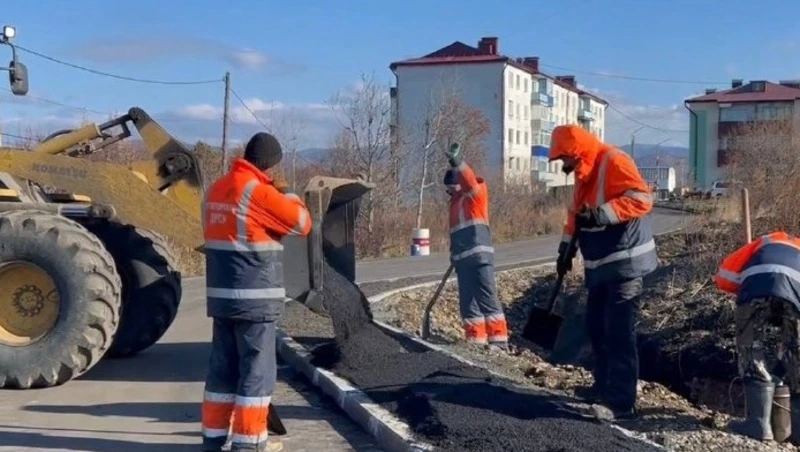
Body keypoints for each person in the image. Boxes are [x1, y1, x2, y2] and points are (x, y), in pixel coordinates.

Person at [200, 132, 311, 452]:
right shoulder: (257, 192)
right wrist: (286, 191)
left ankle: (213, 440)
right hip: (255, 300)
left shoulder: (216, 189)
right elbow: (302, 222)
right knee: (256, 373)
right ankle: (249, 444)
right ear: (270, 165)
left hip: (221, 298)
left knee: (221, 371)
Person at [548, 125, 658, 421]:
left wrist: (601, 215)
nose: (564, 166)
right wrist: (564, 251)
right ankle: (603, 387)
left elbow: (642, 199)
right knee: (596, 326)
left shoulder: (614, 161)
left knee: (619, 331)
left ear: (577, 152)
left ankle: (621, 403)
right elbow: (574, 215)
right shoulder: (584, 174)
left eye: (565, 159)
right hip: (600, 264)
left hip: (626, 260)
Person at [714, 231, 800, 443]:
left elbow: (723, 278)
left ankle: (759, 424)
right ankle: (797, 432)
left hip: (756, 286)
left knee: (751, 348)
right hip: (796, 293)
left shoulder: (761, 243)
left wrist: (748, 296)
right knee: (798, 354)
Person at [443, 142, 509, 350]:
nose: (448, 192)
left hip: (479, 256)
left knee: (487, 297)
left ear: (458, 184)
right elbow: (455, 234)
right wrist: (453, 255)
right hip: (462, 260)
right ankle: (475, 341)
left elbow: (469, 179)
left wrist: (456, 161)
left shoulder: (475, 194)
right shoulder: (454, 204)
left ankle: (499, 341)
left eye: (450, 187)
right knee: (468, 303)